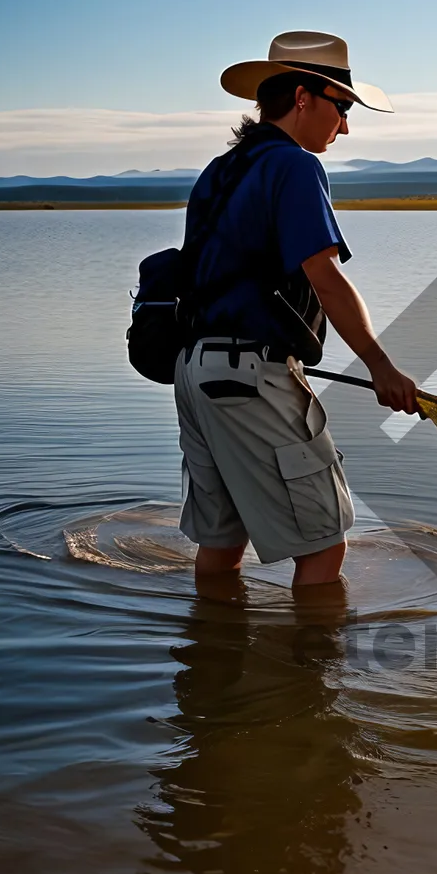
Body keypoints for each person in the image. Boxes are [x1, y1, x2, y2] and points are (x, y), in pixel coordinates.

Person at [175, 30, 417, 592]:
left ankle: (209, 665)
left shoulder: (220, 170)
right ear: (304, 96)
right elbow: (325, 278)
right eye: (342, 107)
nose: (347, 126)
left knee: (221, 541)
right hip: (247, 378)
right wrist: (380, 365)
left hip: (194, 373)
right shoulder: (295, 167)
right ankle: (314, 676)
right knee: (325, 545)